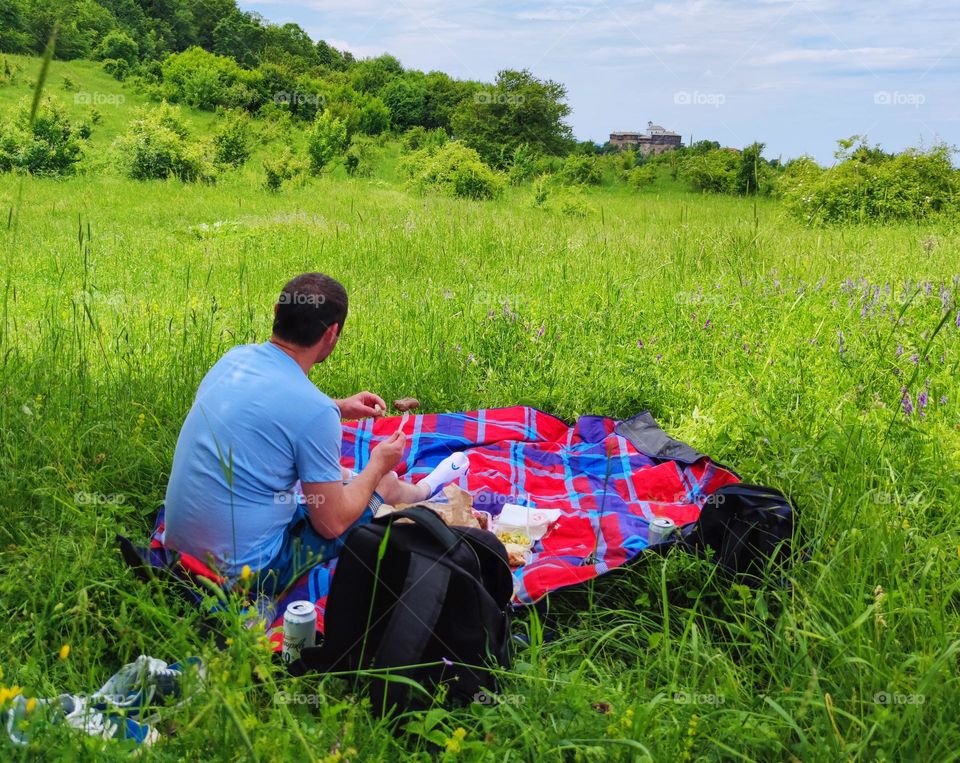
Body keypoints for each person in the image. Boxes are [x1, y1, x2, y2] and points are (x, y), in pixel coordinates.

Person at [163, 272, 468, 593]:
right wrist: (378, 463)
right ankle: (425, 489)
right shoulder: (314, 411)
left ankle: (412, 487)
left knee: (328, 475)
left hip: (182, 547)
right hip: (246, 572)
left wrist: (337, 406)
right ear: (332, 333)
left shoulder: (234, 360)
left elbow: (264, 408)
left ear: (277, 313)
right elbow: (330, 524)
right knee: (382, 484)